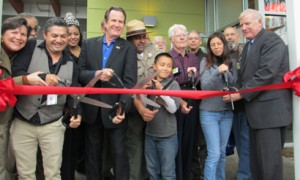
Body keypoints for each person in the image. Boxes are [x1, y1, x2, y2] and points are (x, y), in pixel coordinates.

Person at [10, 17, 82, 179]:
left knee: (53, 173)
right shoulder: (30, 47)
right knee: (25, 173)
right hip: (23, 121)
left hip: (53, 124)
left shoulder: (72, 64)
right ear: (45, 35)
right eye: (54, 36)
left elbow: (73, 96)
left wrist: (77, 113)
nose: (59, 40)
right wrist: (41, 76)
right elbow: (16, 73)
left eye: (63, 36)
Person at [224, 9, 292, 180]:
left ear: (260, 22)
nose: (244, 28)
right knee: (257, 163)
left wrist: (241, 94)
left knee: (270, 165)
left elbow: (266, 73)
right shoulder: (249, 45)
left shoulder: (271, 41)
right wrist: (232, 90)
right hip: (255, 114)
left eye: (248, 23)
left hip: (270, 113)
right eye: (242, 24)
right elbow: (245, 76)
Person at [77, 6, 137, 180]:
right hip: (92, 109)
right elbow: (80, 73)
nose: (117, 24)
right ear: (105, 22)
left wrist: (122, 108)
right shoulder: (89, 44)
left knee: (119, 154)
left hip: (115, 109)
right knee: (92, 155)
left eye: (121, 21)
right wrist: (96, 74)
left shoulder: (128, 48)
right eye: (114, 20)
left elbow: (130, 83)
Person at [135, 52, 181, 180]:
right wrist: (143, 92)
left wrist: (161, 91)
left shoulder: (174, 84)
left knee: (168, 173)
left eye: (169, 66)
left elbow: (173, 109)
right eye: (162, 65)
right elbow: (138, 100)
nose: (165, 68)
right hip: (150, 134)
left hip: (168, 136)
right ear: (154, 66)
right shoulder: (147, 81)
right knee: (152, 172)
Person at [125, 19, 160, 180]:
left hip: (154, 106)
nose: (141, 40)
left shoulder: (154, 50)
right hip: (134, 107)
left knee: (151, 147)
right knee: (135, 147)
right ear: (130, 39)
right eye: (137, 37)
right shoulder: (125, 53)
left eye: (143, 36)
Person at [199, 32, 237, 180]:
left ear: (224, 44)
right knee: (214, 154)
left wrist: (226, 71)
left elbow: (234, 83)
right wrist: (217, 71)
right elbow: (205, 87)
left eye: (219, 44)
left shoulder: (232, 61)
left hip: (227, 113)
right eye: (212, 45)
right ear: (209, 47)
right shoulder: (205, 62)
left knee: (221, 153)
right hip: (209, 113)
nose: (216, 47)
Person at [168, 24, 199, 180]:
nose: (182, 38)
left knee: (190, 140)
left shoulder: (192, 57)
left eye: (184, 35)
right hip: (175, 97)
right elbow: (167, 81)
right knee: (176, 140)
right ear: (171, 39)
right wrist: (180, 101)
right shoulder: (167, 57)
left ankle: (187, 175)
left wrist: (195, 74)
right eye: (179, 35)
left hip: (192, 96)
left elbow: (198, 79)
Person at [0, 16, 29, 180]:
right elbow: (5, 83)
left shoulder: (20, 55)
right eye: (14, 32)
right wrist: (26, 80)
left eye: (23, 34)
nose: (19, 37)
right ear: (3, 34)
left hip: (7, 116)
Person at [223, 26, 251, 180]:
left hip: (243, 105)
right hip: (227, 107)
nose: (229, 37)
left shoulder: (245, 51)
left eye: (232, 34)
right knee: (236, 143)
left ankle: (244, 175)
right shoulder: (223, 54)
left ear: (238, 36)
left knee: (245, 143)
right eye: (226, 35)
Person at [60, 12, 83, 180]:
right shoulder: (61, 54)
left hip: (87, 103)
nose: (73, 37)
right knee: (67, 145)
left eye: (76, 33)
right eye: (69, 34)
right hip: (67, 105)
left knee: (82, 145)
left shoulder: (87, 50)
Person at [187, 29, 207, 180]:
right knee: (192, 139)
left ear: (200, 41)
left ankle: (205, 173)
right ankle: (194, 172)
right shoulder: (185, 56)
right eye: (190, 38)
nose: (193, 41)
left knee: (204, 140)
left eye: (196, 38)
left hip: (205, 103)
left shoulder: (206, 57)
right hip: (189, 103)